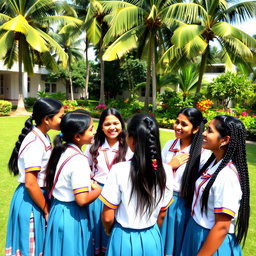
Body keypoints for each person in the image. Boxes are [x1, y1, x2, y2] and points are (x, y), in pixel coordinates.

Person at [100, 113, 173, 256]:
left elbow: (108, 216)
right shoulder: (167, 171)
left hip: (123, 238)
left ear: (132, 140)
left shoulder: (119, 170)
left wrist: (109, 230)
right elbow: (162, 214)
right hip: (152, 237)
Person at [181, 115, 250, 255]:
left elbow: (222, 226)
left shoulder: (227, 176)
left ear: (225, 140)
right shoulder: (214, 163)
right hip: (196, 232)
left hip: (212, 242)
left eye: (210, 131)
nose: (204, 133)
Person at [6, 98, 64, 256]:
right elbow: (31, 183)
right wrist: (46, 210)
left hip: (36, 196)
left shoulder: (42, 137)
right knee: (30, 248)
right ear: (47, 119)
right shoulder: (35, 143)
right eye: (60, 116)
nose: (63, 120)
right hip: (32, 199)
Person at [44, 111, 102, 256]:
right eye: (91, 129)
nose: (94, 132)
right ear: (77, 136)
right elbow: (82, 199)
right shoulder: (79, 160)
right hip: (71, 215)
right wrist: (98, 190)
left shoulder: (63, 151)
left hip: (58, 210)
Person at [160, 107, 211, 256]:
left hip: (184, 205)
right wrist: (170, 167)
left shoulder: (203, 153)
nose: (178, 127)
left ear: (195, 129)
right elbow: (156, 174)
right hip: (163, 200)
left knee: (178, 244)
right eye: (177, 122)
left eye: (184, 124)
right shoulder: (168, 145)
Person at [85, 108, 133, 255]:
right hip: (97, 195)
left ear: (122, 124)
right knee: (96, 232)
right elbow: (84, 168)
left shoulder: (129, 146)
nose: (112, 127)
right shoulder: (93, 146)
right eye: (107, 124)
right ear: (101, 126)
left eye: (116, 123)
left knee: (115, 231)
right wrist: (91, 181)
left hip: (122, 196)